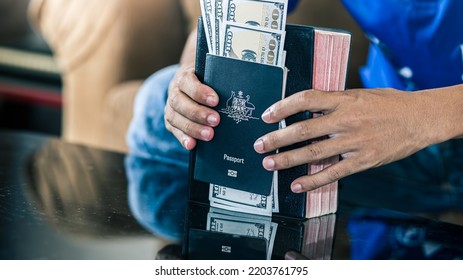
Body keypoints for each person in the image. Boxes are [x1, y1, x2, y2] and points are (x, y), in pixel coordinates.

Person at [127, 0, 463, 209]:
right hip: (381, 138)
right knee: (157, 103)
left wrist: (421, 117)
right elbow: (228, 16)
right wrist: (193, 83)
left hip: (431, 121)